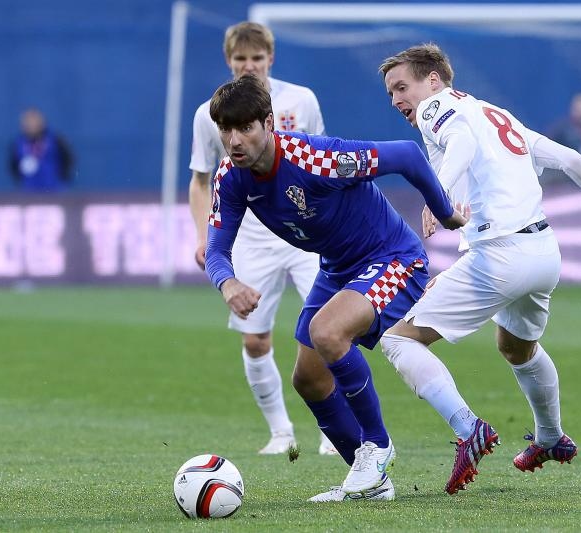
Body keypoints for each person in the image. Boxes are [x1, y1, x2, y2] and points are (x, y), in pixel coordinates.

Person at [379, 43, 581, 494]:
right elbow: (572, 160)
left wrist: (438, 197)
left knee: (397, 337)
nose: (398, 99)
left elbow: (458, 145)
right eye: (390, 92)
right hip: (542, 253)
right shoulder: (496, 115)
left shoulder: (435, 108)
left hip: (500, 255)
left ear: (435, 80)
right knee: (517, 348)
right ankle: (550, 437)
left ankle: (468, 429)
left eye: (403, 86)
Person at [203, 74, 466, 501]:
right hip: (339, 269)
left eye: (245, 128)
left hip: (392, 258)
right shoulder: (231, 178)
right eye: (226, 130)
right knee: (307, 379)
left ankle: (377, 447)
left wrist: (446, 214)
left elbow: (408, 155)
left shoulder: (314, 158)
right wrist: (227, 282)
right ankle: (370, 483)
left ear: (268, 123)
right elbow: (216, 250)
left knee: (327, 332)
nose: (234, 140)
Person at [188, 22, 332, 456]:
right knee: (255, 339)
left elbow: (322, 159)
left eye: (256, 58)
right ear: (229, 62)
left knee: (328, 330)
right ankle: (281, 432)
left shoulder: (300, 100)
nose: (248, 66)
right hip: (250, 237)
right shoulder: (207, 114)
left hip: (306, 231)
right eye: (240, 59)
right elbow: (200, 181)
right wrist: (202, 235)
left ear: (270, 59)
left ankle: (331, 428)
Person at [9, 108, 74, 192]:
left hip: (54, 190)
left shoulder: (55, 140)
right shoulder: (18, 143)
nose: (32, 126)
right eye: (28, 123)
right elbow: (13, 166)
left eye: (34, 122)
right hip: (28, 192)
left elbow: (68, 159)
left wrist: (62, 177)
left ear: (42, 123)